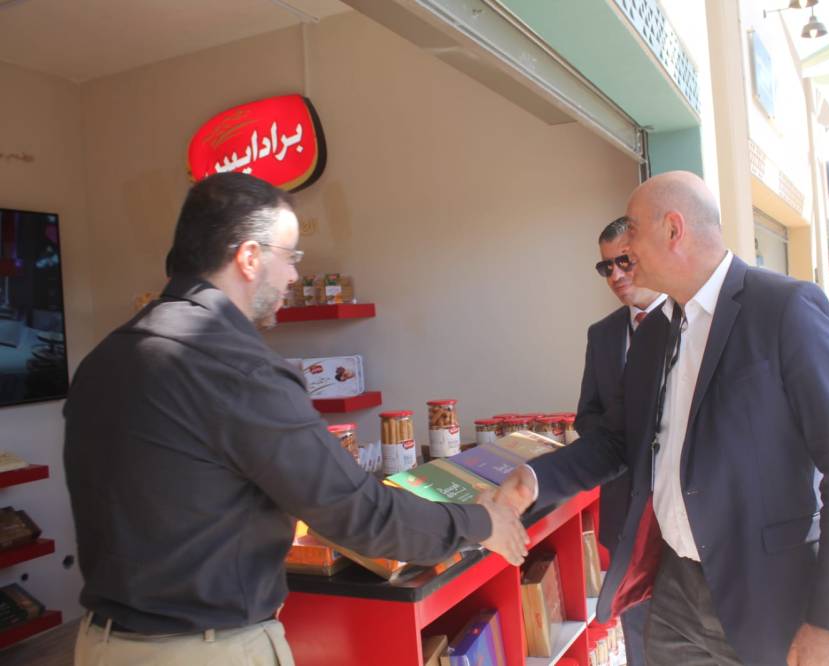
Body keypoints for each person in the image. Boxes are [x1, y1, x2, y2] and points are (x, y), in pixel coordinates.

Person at [63, 173, 528, 665]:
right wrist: (481, 522)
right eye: (289, 257)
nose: (292, 276)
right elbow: (361, 515)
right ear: (249, 257)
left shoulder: (103, 360)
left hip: (99, 645)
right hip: (203, 651)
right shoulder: (236, 367)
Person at [494, 172, 829, 666]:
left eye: (633, 231)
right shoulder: (654, 333)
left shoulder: (785, 310)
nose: (626, 249)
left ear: (673, 229)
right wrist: (532, 480)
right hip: (674, 592)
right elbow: (617, 440)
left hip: (768, 597)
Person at [576, 216, 666, 666]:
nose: (615, 275)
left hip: (683, 519)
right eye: (605, 267)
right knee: (640, 641)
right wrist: (620, 442)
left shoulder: (688, 321)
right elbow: (586, 415)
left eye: (624, 261)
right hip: (626, 515)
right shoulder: (603, 334)